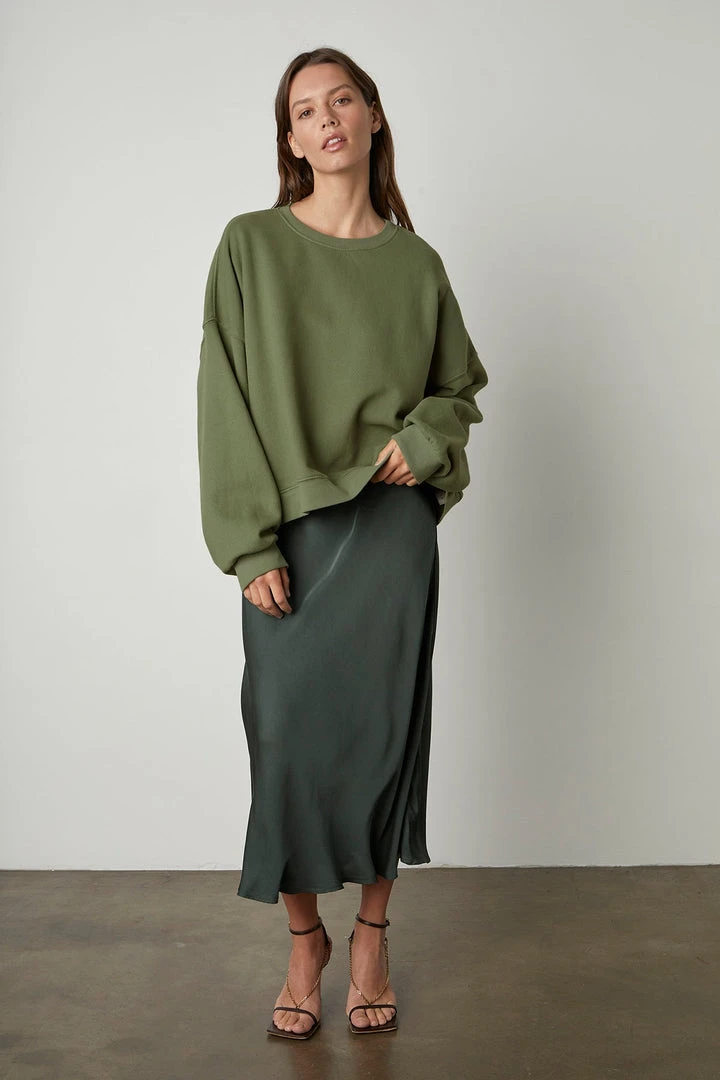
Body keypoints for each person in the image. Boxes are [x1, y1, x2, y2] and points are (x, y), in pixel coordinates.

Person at [196, 46, 488, 1041]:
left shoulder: (417, 264)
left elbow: (458, 389)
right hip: (291, 533)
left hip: (391, 532)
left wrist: (423, 439)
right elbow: (224, 399)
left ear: (372, 117)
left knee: (380, 740)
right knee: (284, 740)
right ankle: (302, 940)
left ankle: (370, 936)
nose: (326, 120)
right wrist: (249, 546)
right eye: (304, 110)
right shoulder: (250, 246)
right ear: (290, 140)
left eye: (343, 100)